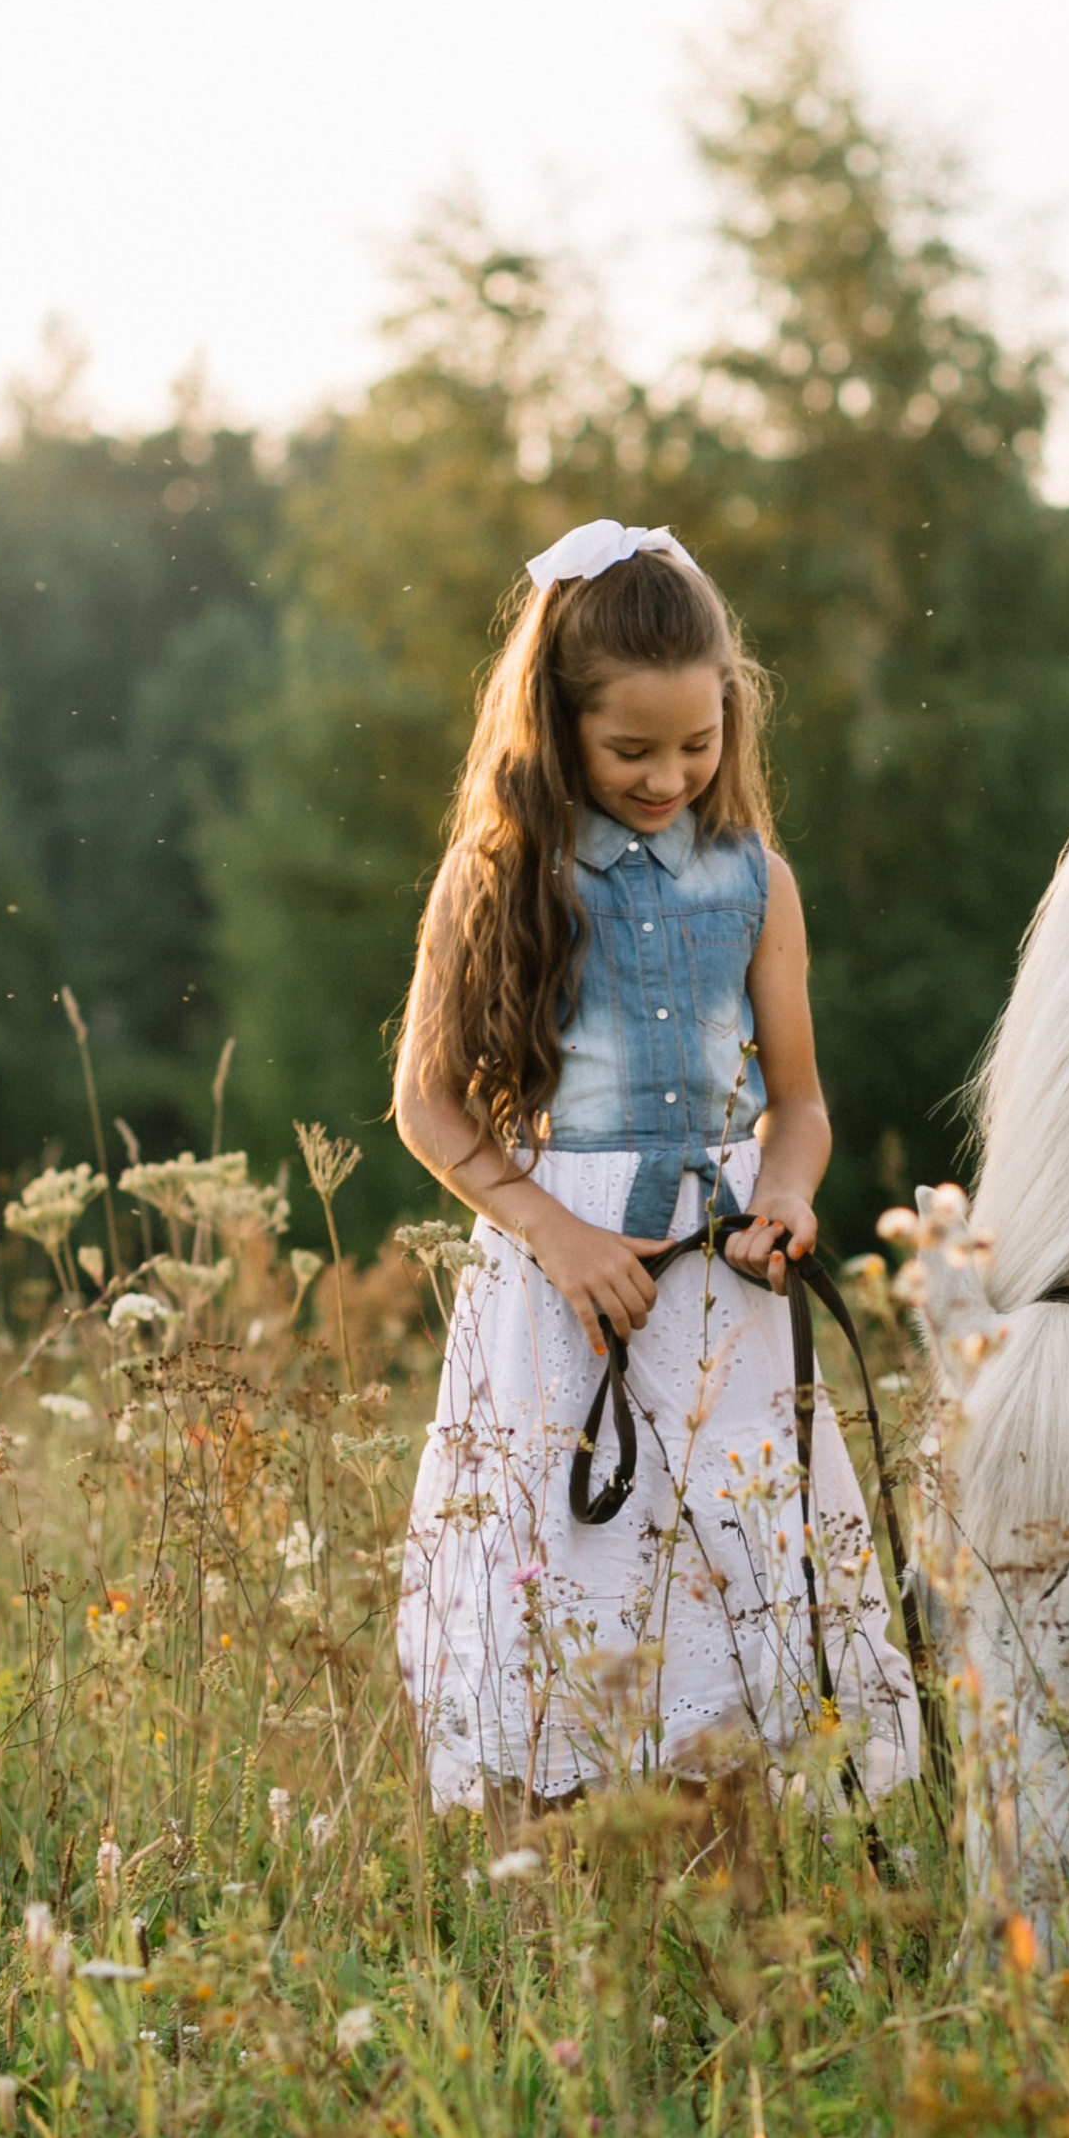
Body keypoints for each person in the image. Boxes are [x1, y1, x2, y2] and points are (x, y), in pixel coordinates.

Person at [391, 518, 919, 1812]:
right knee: (580, 1574)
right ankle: (570, 1921)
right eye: (631, 749)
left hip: (723, 1271)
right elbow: (425, 1104)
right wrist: (557, 1239)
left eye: (699, 744)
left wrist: (786, 1195)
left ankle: (726, 1919)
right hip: (565, 1270)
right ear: (558, 726)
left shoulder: (756, 884)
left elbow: (797, 1103)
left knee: (736, 1593)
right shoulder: (499, 876)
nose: (669, 774)